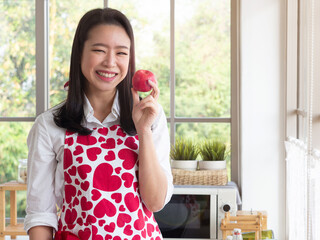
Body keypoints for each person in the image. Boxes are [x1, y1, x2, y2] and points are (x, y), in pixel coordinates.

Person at [24, 8, 173, 240]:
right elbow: (40, 215)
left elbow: (154, 202)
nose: (110, 62)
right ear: (79, 53)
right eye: (99, 50)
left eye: (121, 53)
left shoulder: (150, 116)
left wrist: (143, 130)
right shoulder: (49, 125)